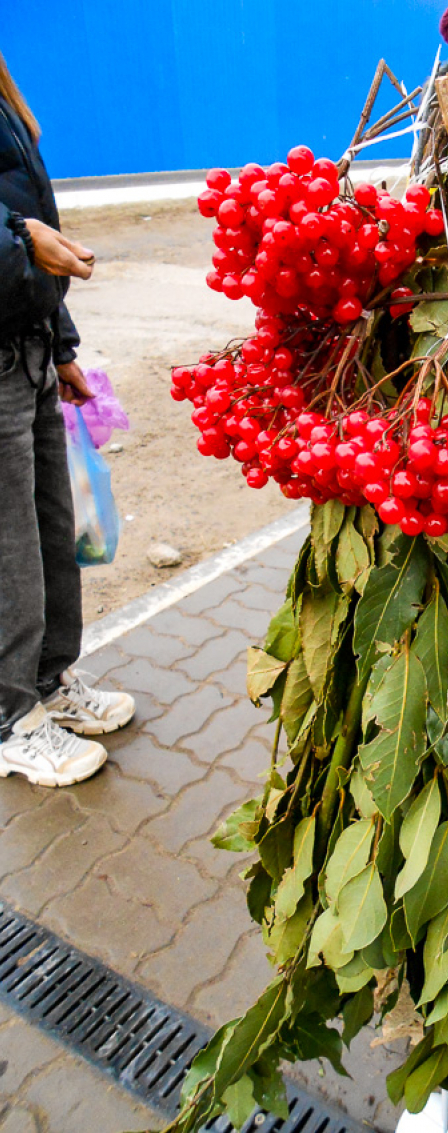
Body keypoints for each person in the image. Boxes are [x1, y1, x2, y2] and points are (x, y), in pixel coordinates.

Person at [0, 52, 134, 787]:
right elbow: (23, 227)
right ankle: (8, 716)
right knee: (7, 546)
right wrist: (18, 236)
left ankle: (50, 682)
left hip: (25, 338)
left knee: (55, 526)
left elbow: (34, 217)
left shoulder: (5, 96)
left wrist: (62, 346)